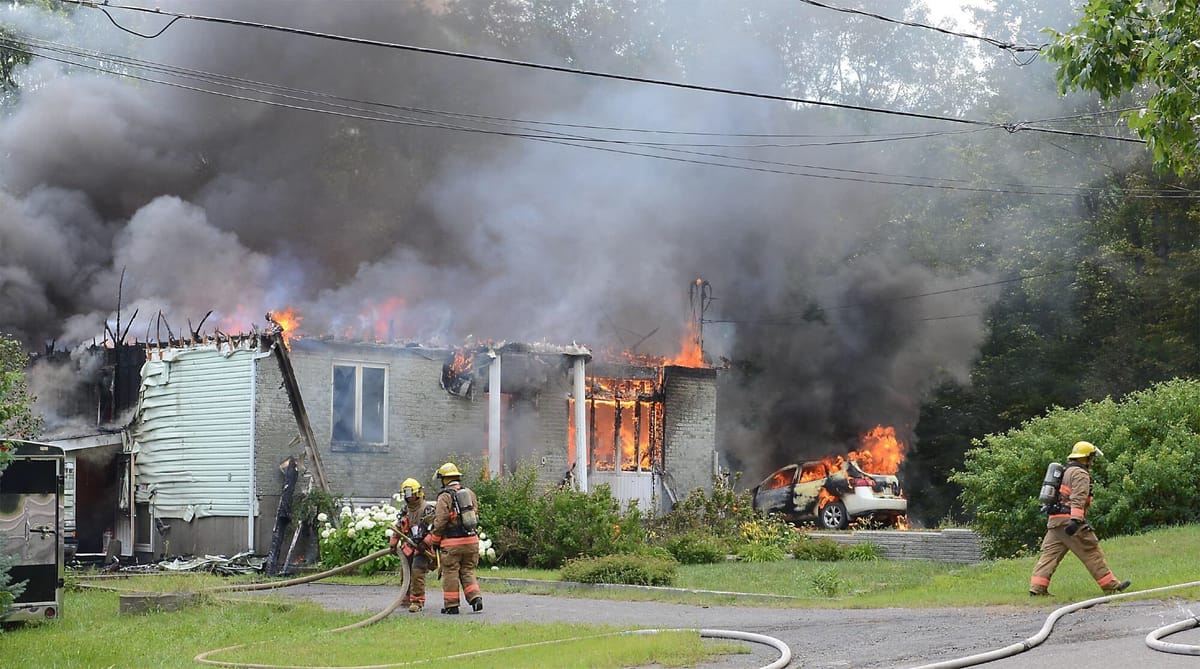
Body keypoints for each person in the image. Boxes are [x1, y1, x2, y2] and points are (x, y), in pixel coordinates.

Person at [1029, 441, 1131, 597]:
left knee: (1049, 556)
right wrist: (1076, 520)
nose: (1092, 461)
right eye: (1091, 457)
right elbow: (1078, 498)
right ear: (1086, 458)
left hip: (1055, 521)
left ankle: (1037, 589)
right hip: (1069, 520)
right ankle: (1111, 587)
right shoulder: (1080, 474)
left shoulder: (1064, 471)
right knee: (1091, 552)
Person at [425, 462, 483, 614]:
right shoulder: (470, 493)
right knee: (468, 570)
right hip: (471, 541)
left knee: (450, 572)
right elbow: (475, 514)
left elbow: (440, 521)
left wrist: (435, 541)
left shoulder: (445, 497)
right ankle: (476, 598)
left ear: (444, 479)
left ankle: (451, 606)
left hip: (452, 544)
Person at [388, 477, 437, 613]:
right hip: (409, 546)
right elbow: (399, 526)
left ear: (418, 493)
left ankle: (417, 601)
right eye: (406, 495)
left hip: (423, 548)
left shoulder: (428, 509)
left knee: (417, 572)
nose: (409, 498)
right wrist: (393, 543)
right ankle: (406, 597)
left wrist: (425, 543)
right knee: (405, 570)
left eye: (411, 494)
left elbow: (435, 530)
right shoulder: (406, 510)